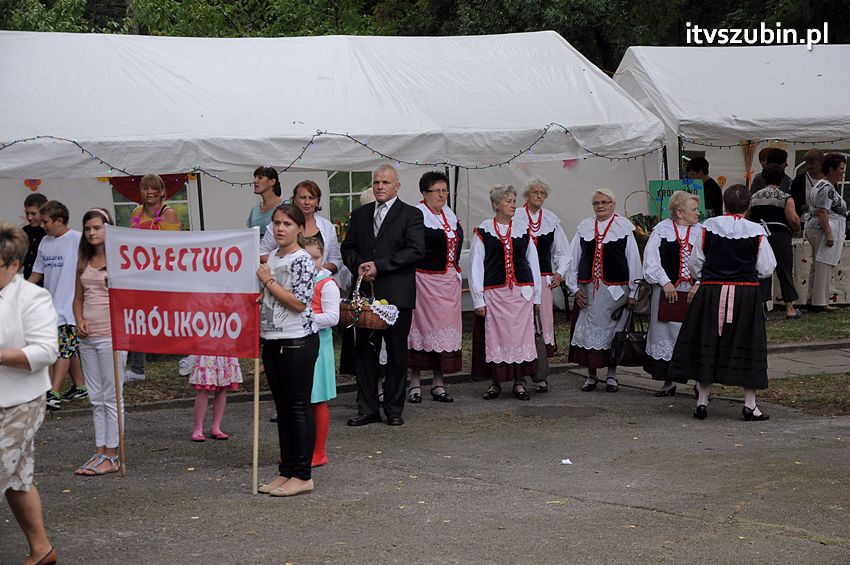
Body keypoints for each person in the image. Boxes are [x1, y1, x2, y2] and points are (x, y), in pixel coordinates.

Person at [668, 184, 777, 421]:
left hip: (712, 292)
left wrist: (713, 275)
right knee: (748, 342)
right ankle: (750, 404)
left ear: (724, 205)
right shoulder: (756, 231)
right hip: (745, 295)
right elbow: (767, 267)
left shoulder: (708, 227)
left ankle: (702, 400)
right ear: (748, 207)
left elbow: (696, 263)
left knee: (708, 339)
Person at [341, 164, 425, 427]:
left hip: (397, 295)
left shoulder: (411, 215)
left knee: (397, 354)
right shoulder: (361, 214)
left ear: (397, 186)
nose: (380, 186)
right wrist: (360, 266)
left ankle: (394, 408)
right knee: (365, 354)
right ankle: (367, 408)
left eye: (385, 182)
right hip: (367, 296)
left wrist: (381, 266)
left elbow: (416, 250)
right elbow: (348, 247)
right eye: (376, 182)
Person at [0, 222, 59, 565]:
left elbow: (45, 352)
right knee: (18, 477)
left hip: (21, 401)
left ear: (13, 264)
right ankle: (42, 550)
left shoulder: (33, 297)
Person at [256, 204, 319, 497]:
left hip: (297, 340)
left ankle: (303, 474)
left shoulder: (302, 260)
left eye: (287, 224)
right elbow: (270, 296)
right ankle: (287, 470)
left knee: (297, 407)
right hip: (272, 338)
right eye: (276, 223)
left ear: (299, 229)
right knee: (282, 409)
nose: (280, 229)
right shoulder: (271, 257)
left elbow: (298, 302)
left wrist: (268, 281)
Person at [565, 189, 642, 393]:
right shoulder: (585, 227)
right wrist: (573, 287)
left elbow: (633, 260)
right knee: (590, 331)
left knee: (614, 333)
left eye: (604, 202)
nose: (600, 206)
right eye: (596, 203)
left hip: (615, 290)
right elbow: (573, 258)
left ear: (613, 205)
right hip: (589, 289)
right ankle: (591, 376)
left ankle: (611, 375)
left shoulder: (624, 228)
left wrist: (634, 291)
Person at [470, 184, 542, 401]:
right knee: (496, 338)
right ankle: (496, 382)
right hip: (496, 295)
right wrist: (478, 300)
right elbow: (476, 266)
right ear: (495, 205)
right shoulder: (483, 231)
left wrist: (536, 295)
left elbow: (533, 262)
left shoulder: (522, 230)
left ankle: (520, 382)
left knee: (520, 338)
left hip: (521, 294)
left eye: (513, 201)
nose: (513, 205)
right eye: (508, 201)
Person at [72, 208, 126, 476]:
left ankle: (113, 454)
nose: (92, 232)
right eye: (88, 228)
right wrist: (78, 318)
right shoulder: (83, 260)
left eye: (97, 227)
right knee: (95, 397)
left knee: (111, 397)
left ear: (108, 229)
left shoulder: (120, 260)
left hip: (111, 336)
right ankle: (100, 449)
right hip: (88, 336)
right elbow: (78, 297)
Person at [407, 171, 463, 404]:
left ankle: (439, 384)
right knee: (420, 331)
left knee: (444, 335)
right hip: (424, 281)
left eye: (444, 190)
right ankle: (415, 383)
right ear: (424, 193)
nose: (442, 195)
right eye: (436, 191)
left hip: (449, 283)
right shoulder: (416, 215)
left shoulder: (449, 214)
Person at [28, 200, 86, 410]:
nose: (42, 225)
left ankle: (53, 392)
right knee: (66, 349)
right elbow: (37, 273)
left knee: (62, 350)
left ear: (59, 220)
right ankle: (81, 386)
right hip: (51, 307)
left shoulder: (78, 239)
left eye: (45, 221)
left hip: (71, 307)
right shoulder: (44, 242)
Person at [642, 191, 701, 396]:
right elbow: (651, 260)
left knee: (695, 333)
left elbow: (711, 260)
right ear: (679, 212)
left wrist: (699, 283)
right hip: (667, 290)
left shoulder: (702, 231)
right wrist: (665, 282)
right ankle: (668, 382)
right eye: (693, 209)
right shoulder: (662, 230)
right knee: (665, 331)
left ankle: (699, 383)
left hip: (695, 291)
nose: (697, 213)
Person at [515, 176, 570, 393]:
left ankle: (540, 374)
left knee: (541, 325)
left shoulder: (551, 220)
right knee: (521, 325)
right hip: (521, 281)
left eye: (542, 193)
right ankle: (519, 375)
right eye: (535, 192)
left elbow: (563, 252)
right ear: (526, 195)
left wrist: (560, 272)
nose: (539, 196)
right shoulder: (516, 216)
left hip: (544, 280)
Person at [126, 174, 181, 382]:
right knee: (139, 319)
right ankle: (137, 369)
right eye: (145, 188)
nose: (149, 192)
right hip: (141, 275)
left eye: (153, 188)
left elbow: (174, 247)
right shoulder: (136, 212)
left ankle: (190, 356)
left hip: (164, 275)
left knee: (174, 318)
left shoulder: (169, 214)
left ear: (162, 191)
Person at [303, 237, 340, 467]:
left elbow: (332, 317)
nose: (312, 262)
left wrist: (303, 319)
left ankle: (318, 451)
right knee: (300, 401)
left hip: (318, 346)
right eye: (307, 258)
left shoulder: (326, 283)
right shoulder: (294, 280)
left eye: (316, 258)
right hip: (297, 343)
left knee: (317, 401)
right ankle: (299, 449)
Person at [748, 164, 801, 319]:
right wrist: (796, 229)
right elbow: (793, 218)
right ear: (782, 178)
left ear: (763, 178)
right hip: (779, 235)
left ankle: (762, 309)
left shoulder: (755, 197)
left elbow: (747, 217)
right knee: (784, 270)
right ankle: (790, 308)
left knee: (762, 271)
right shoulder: (784, 197)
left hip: (760, 236)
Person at [259, 180, 342, 275]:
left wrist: (317, 269)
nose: (307, 202)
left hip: (319, 282)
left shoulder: (327, 226)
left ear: (317, 202)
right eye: (303, 197)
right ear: (294, 199)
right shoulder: (278, 224)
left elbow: (336, 260)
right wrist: (285, 265)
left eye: (311, 198)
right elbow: (262, 254)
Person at [805, 153, 847, 313]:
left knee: (818, 265)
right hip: (823, 228)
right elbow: (822, 211)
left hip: (818, 227)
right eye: (841, 169)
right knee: (824, 264)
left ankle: (813, 298)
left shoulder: (821, 185)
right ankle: (820, 301)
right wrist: (829, 234)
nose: (843, 172)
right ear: (831, 169)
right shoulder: (827, 188)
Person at [188, 355, 242, 442]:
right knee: (204, 388)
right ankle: (198, 428)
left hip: (225, 348)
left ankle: (216, 427)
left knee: (223, 388)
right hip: (208, 349)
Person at [246, 166, 282, 240]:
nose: (254, 180)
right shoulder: (254, 210)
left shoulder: (285, 206)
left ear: (272, 182)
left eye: (260, 177)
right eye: (255, 177)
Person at [789, 149, 824, 218]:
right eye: (807, 163)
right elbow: (793, 201)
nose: (809, 166)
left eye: (812, 163)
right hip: (803, 219)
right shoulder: (799, 179)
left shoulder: (828, 179)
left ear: (821, 163)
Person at [22, 193, 48, 282]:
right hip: (27, 281)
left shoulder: (50, 233)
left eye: (33, 213)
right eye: (27, 213)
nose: (29, 217)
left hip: (46, 285)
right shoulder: (23, 232)